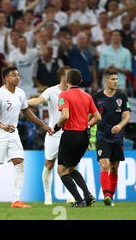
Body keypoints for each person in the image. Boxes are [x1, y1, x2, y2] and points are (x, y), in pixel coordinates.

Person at [0, 67, 54, 208]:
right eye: (14, 75)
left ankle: (16, 200)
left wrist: (43, 125)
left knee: (20, 164)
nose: (17, 77)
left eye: (18, 75)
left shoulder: (20, 93)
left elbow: (27, 112)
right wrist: (3, 126)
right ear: (6, 78)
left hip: (13, 133)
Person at [53, 68, 102, 207]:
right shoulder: (87, 96)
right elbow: (98, 117)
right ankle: (87, 196)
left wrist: (56, 128)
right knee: (72, 168)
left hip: (70, 135)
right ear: (80, 81)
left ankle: (79, 200)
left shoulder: (64, 95)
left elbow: (65, 116)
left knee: (61, 170)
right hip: (83, 136)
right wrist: (87, 125)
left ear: (67, 80)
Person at [27, 66, 71, 205]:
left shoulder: (75, 91)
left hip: (70, 133)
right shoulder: (51, 91)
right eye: (69, 74)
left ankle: (70, 195)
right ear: (62, 77)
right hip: (53, 132)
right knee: (49, 164)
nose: (71, 77)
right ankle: (48, 196)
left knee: (70, 166)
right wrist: (23, 101)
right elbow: (38, 101)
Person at [92, 68, 130, 206]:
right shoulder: (96, 98)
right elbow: (90, 116)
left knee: (114, 167)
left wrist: (120, 126)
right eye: (113, 79)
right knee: (105, 164)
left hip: (117, 138)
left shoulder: (122, 97)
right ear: (106, 80)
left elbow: (126, 116)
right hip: (102, 137)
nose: (115, 82)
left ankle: (110, 197)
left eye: (117, 79)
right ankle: (106, 195)